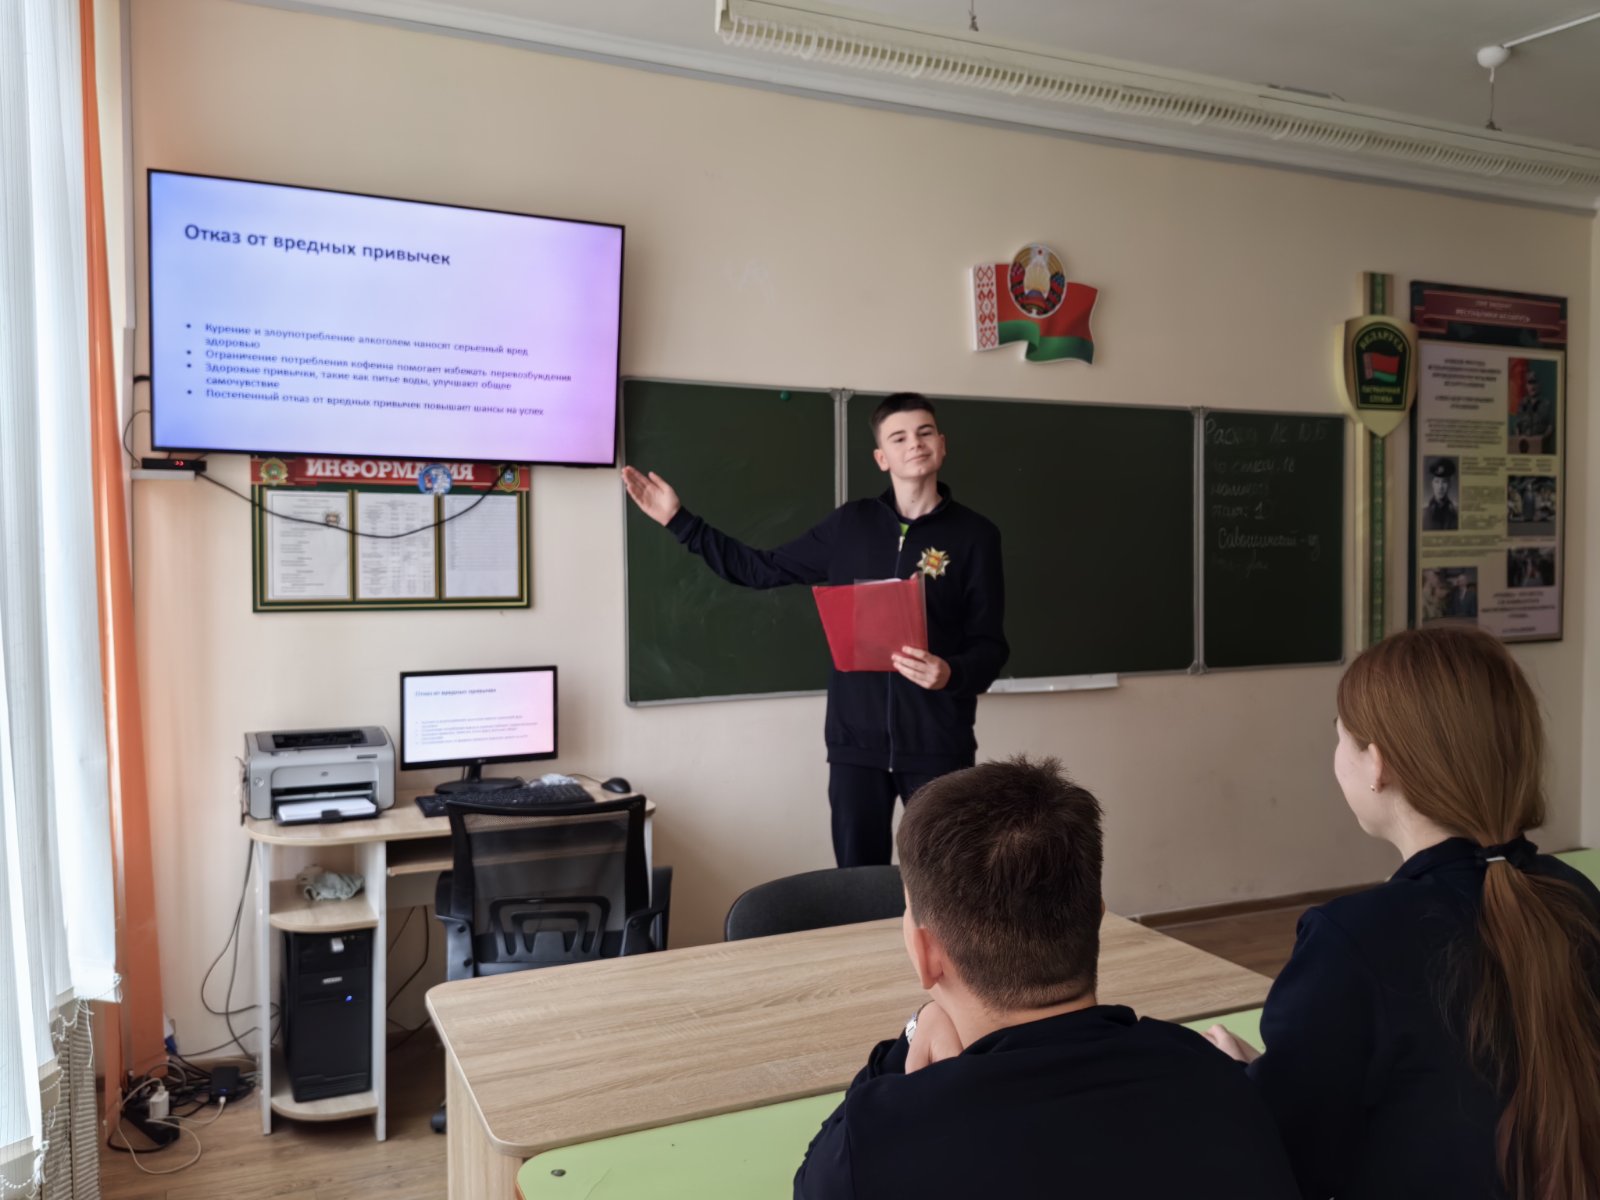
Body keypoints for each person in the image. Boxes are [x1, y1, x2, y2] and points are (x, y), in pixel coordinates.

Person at [1204, 627, 1600, 1199]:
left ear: (1377, 765)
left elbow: (1288, 1164)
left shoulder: (1352, 939)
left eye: (1340, 737)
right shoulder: (1576, 895)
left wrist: (1245, 1086)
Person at [793, 757, 1299, 1199]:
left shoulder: (875, 1143)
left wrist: (913, 1031)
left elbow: (813, 1177)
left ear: (927, 956)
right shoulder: (1223, 1082)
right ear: (1096, 917)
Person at [623, 394, 1007, 867]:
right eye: (899, 437)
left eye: (925, 432)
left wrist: (950, 673)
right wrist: (680, 522)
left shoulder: (976, 536)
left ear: (942, 445)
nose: (915, 444)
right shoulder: (850, 525)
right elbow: (759, 569)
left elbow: (991, 647)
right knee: (856, 883)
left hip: (937, 745)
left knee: (947, 880)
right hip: (855, 747)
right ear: (881, 457)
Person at [1422, 458, 1458, 531]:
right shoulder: (1423, 513)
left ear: (1449, 484)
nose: (1440, 487)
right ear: (1432, 484)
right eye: (1437, 481)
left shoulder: (1456, 513)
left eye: (1444, 482)